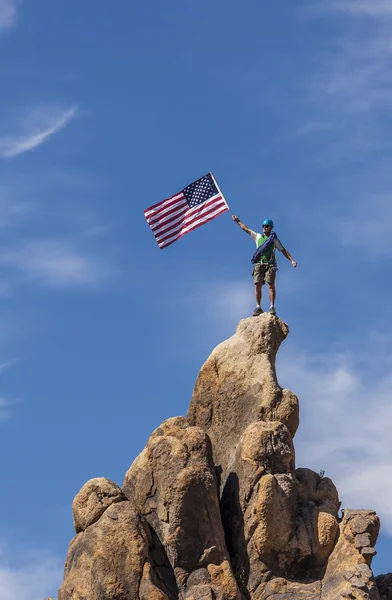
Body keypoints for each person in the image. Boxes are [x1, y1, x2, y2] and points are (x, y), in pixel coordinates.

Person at [232, 215, 297, 316]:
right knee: (257, 285)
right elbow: (246, 229)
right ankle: (258, 307)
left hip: (270, 264)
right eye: (263, 226)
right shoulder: (258, 237)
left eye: (266, 226)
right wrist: (237, 221)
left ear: (271, 228)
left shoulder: (274, 240)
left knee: (270, 285)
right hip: (259, 263)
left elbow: (283, 250)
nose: (264, 228)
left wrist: (292, 260)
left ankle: (272, 307)